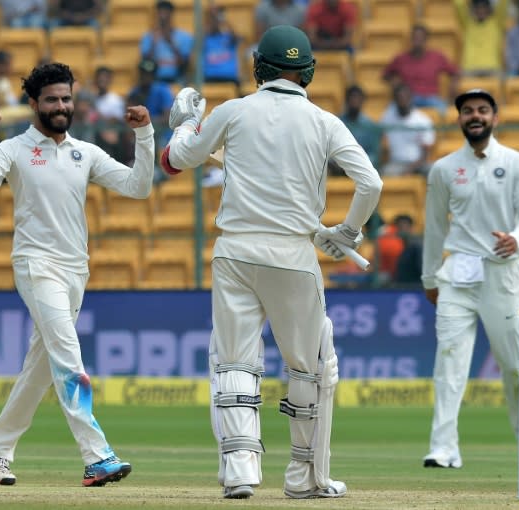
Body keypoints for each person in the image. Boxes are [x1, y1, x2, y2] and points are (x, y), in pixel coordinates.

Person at [160, 25, 382, 499]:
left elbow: (177, 159)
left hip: (236, 251)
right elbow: (372, 185)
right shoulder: (325, 122)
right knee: (308, 368)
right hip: (294, 254)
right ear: (308, 72)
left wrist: (182, 122)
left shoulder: (235, 111)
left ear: (258, 66)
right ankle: (304, 479)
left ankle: (241, 472)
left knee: (235, 360)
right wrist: (347, 232)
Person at [0, 62, 156, 487]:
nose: (61, 105)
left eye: (66, 98)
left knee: (41, 368)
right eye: (51, 99)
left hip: (74, 270)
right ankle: (97, 455)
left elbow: (139, 187)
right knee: (69, 359)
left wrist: (144, 135)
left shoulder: (83, 152)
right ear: (33, 104)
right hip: (36, 264)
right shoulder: (13, 149)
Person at [421, 89, 519, 469]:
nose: (476, 116)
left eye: (483, 110)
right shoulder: (444, 169)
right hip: (457, 274)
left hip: (501, 273)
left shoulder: (517, 162)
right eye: (469, 111)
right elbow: (435, 228)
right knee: (450, 361)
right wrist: (429, 278)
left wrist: (517, 239)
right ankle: (444, 448)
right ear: (459, 119)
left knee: (513, 364)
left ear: (495, 117)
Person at [383, 25, 460, 112]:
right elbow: (386, 75)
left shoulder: (437, 57)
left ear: (426, 39)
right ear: (411, 39)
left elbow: (455, 73)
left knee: (444, 114)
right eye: (415, 37)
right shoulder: (401, 58)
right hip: (409, 97)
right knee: (391, 112)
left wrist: (451, 92)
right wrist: (395, 86)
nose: (417, 40)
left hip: (431, 98)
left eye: (420, 37)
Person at [379, 82, 436, 177]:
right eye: (399, 98)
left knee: (435, 170)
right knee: (385, 173)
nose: (403, 101)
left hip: (419, 164)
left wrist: (410, 169)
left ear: (411, 98)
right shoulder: (387, 117)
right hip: (396, 164)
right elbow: (378, 139)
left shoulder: (423, 120)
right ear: (395, 100)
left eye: (405, 97)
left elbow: (425, 154)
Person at [139, 0, 194, 84]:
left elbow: (184, 64)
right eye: (160, 12)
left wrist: (171, 43)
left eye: (166, 12)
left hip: (177, 79)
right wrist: (153, 45)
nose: (163, 16)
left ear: (171, 14)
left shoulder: (185, 37)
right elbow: (145, 63)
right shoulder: (148, 37)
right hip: (155, 80)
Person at [454, 0, 511, 76]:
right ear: (473, 9)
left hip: (492, 69)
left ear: (489, 9)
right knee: (461, 81)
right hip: (470, 68)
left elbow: (503, 4)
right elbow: (458, 4)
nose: (481, 10)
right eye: (478, 8)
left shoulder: (496, 22)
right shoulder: (468, 24)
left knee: (504, 80)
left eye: (484, 8)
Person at [339, 85, 380, 167]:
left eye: (358, 98)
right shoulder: (337, 122)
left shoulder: (370, 125)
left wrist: (360, 164)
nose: (355, 101)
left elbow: (374, 154)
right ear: (347, 100)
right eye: (352, 97)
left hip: (362, 168)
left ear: (362, 101)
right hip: (339, 167)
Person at [203, 5, 242, 86]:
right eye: (212, 19)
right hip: (210, 79)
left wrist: (223, 20)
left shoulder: (229, 36)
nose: (215, 21)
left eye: (217, 18)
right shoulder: (204, 38)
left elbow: (237, 38)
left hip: (231, 79)